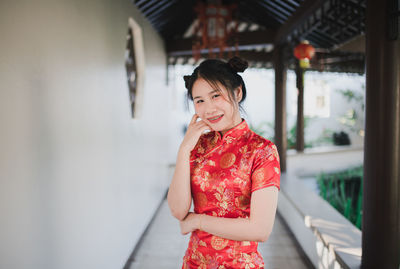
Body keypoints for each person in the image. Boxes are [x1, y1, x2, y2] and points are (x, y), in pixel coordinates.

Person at [167, 56, 281, 268]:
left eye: (216, 96)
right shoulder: (197, 146)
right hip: (194, 263)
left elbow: (260, 230)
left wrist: (198, 221)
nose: (208, 109)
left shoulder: (262, 150)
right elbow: (178, 211)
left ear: (237, 92)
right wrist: (183, 150)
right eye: (199, 100)